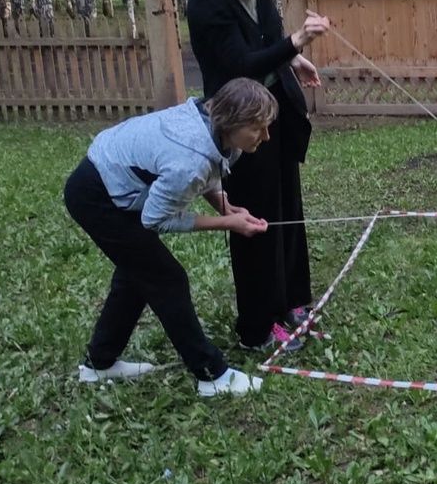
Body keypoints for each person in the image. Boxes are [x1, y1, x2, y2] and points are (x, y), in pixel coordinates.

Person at [66, 78, 279, 397]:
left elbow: (209, 166)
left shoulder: (215, 129)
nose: (266, 136)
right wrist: (227, 222)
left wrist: (224, 204)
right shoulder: (188, 161)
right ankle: (212, 376)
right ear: (231, 122)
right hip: (95, 196)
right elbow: (155, 219)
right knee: (167, 279)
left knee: (137, 275)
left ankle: (99, 363)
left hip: (116, 182)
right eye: (257, 128)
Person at [187, 0, 330, 355]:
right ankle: (257, 325)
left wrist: (292, 59)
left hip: (275, 112)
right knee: (253, 218)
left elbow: (267, 43)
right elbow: (237, 66)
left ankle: (290, 303)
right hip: (238, 124)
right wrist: (294, 44)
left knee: (287, 205)